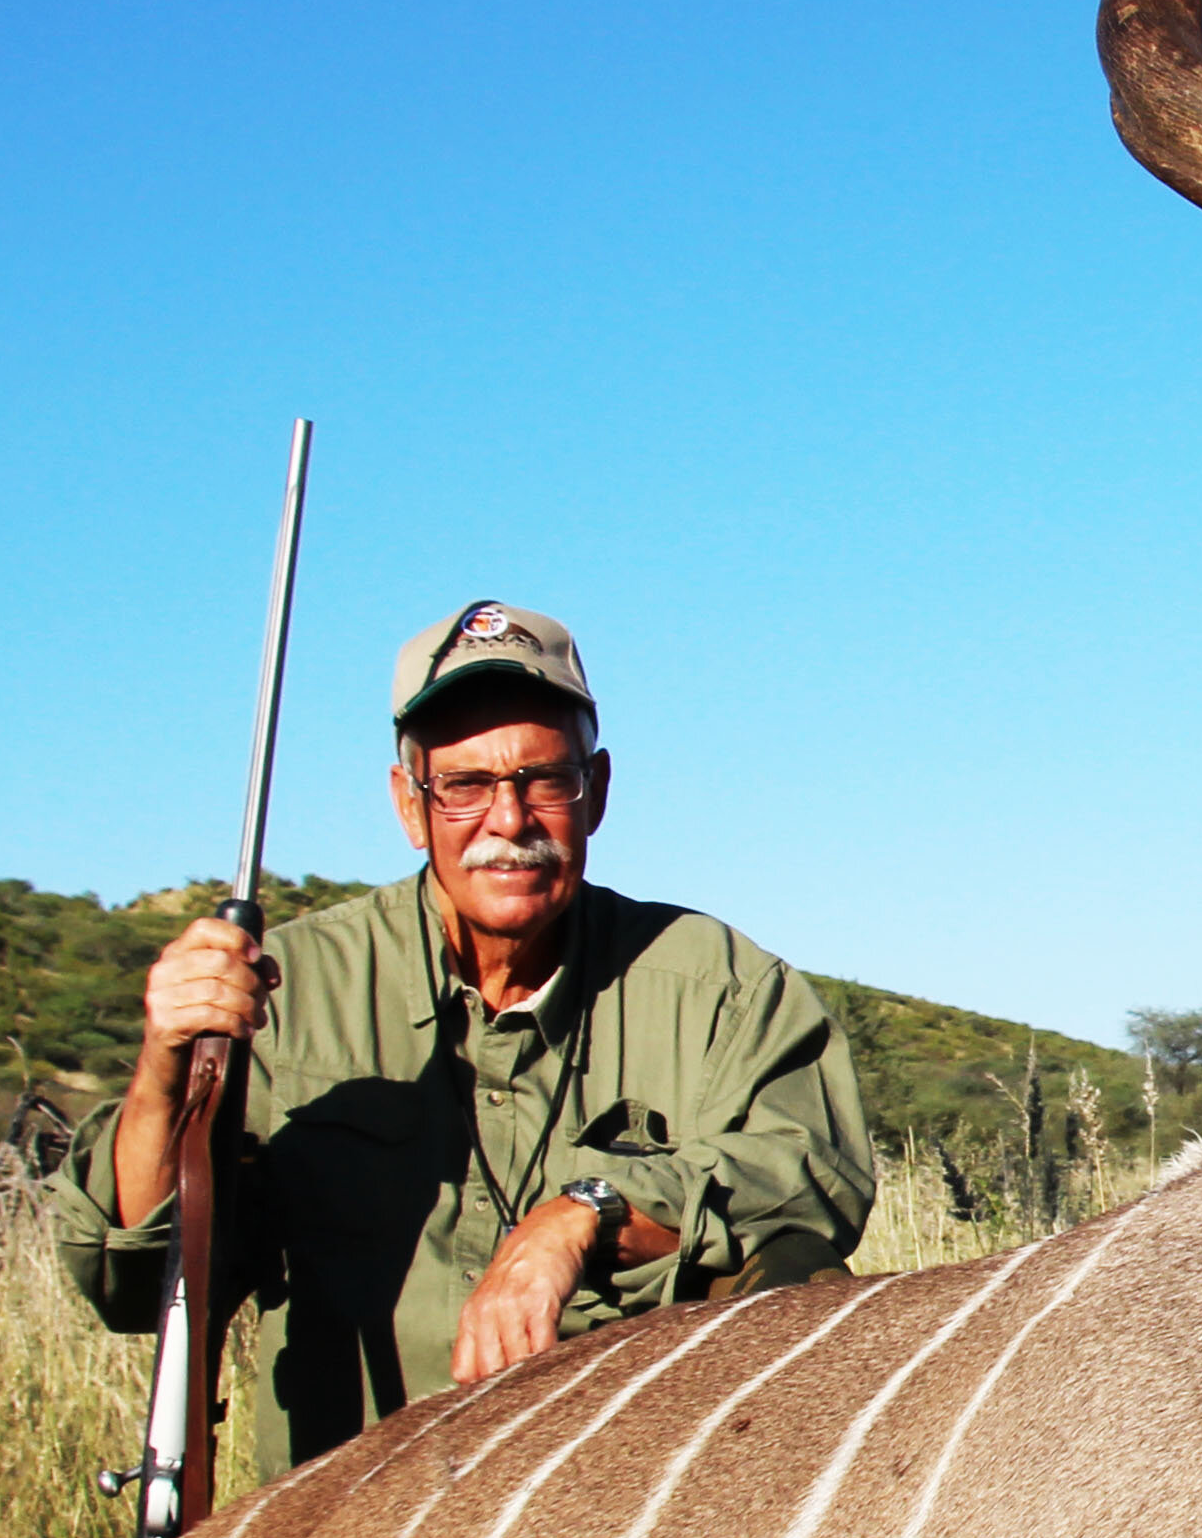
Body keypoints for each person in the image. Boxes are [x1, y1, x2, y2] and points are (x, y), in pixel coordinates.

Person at [57, 599, 875, 1478]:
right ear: (410, 804)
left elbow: (812, 1180)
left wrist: (583, 1214)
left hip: (624, 1517)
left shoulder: (718, 983)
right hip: (346, 1515)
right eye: (465, 786)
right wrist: (165, 1064)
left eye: (544, 780)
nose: (510, 819)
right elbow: (139, 1285)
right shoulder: (288, 991)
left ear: (595, 793)